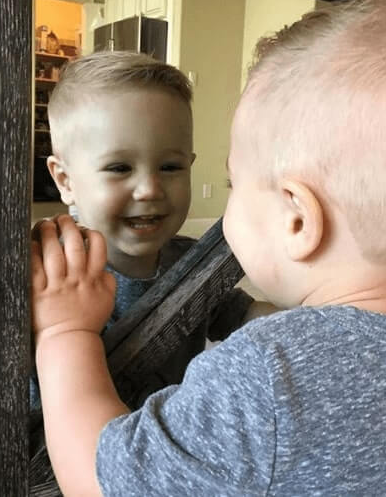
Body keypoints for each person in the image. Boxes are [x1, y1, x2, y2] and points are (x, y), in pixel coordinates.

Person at [32, 0, 386, 496]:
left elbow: (101, 482)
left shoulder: (268, 371)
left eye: (234, 184)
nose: (150, 187)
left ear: (298, 221)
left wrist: (63, 335)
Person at [30, 51, 273, 410]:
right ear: (65, 180)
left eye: (171, 166)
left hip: (163, 447)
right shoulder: (51, 273)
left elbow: (243, 317)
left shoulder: (191, 260)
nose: (149, 189)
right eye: (119, 167)